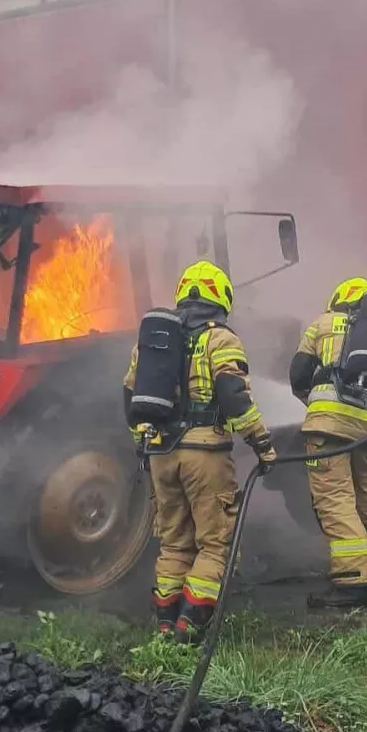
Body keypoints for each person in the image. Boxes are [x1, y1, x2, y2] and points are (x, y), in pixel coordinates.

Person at [123, 260, 277, 642]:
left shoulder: (153, 342)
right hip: (204, 454)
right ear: (221, 297)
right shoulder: (221, 339)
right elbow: (234, 395)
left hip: (161, 454)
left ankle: (164, 625)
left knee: (174, 541)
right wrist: (262, 443)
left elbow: (130, 396)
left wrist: (141, 439)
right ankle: (191, 626)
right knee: (215, 542)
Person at [289, 276, 367, 608]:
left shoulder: (322, 325)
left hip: (327, 431)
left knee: (336, 499)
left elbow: (298, 376)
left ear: (339, 301)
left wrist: (319, 407)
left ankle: (352, 582)